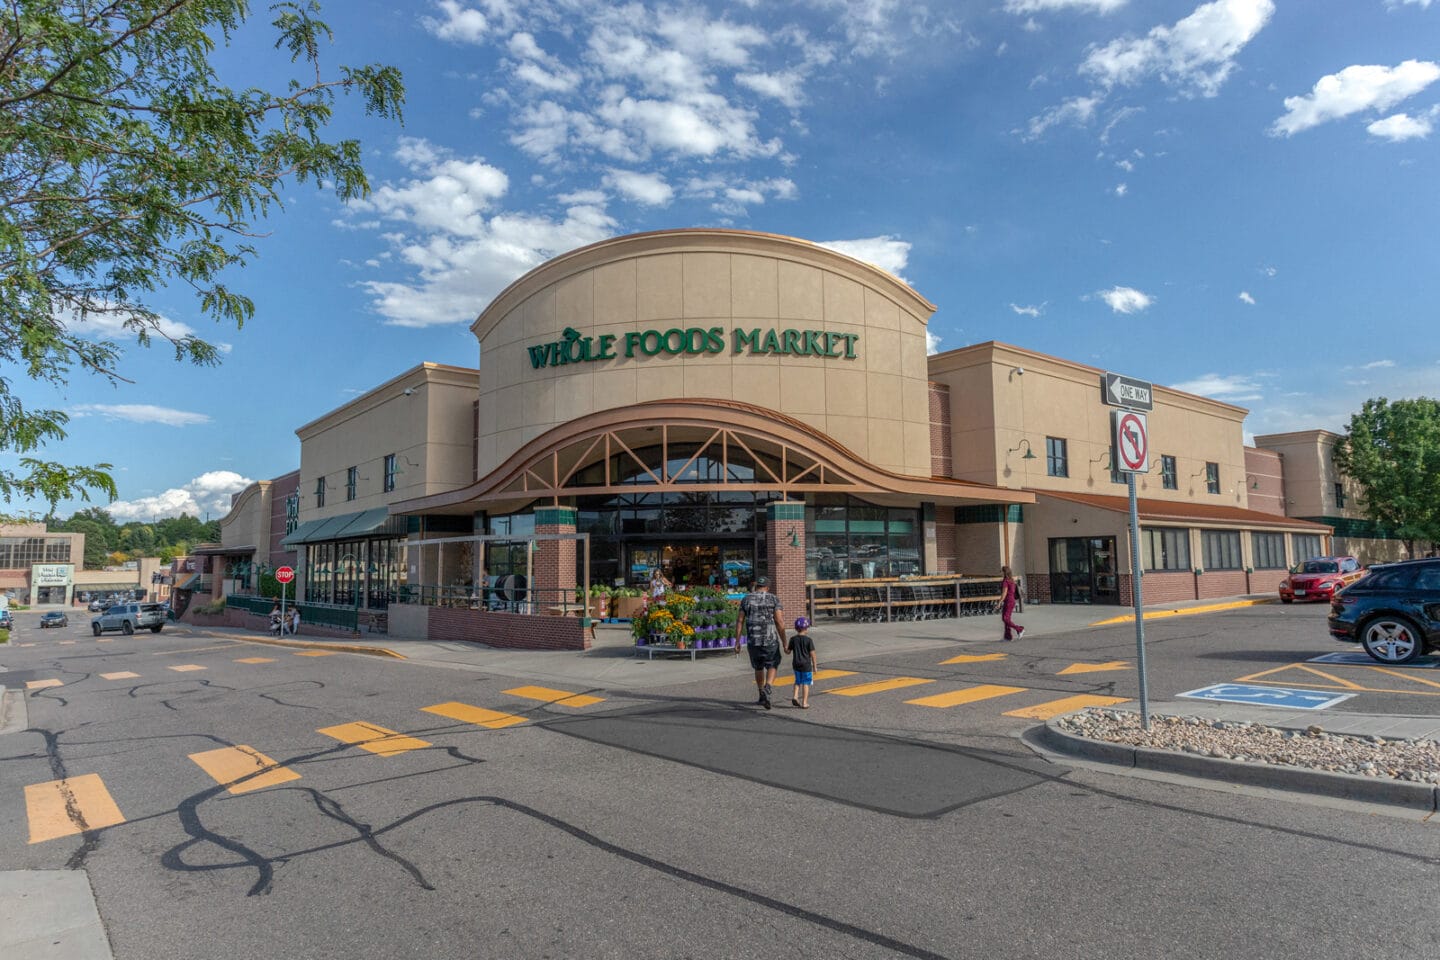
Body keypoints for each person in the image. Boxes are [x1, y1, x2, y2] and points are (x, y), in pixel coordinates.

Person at [736, 576, 786, 709]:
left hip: (753, 640)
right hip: (770, 639)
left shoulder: (746, 599)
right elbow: (779, 622)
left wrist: (737, 641)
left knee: (758, 667)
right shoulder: (773, 599)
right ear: (768, 587)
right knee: (772, 664)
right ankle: (768, 687)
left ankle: (760, 694)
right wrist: (785, 641)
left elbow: (740, 620)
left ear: (756, 586)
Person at [787, 616, 817, 709]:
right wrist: (815, 666)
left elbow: (788, 651)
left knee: (797, 681)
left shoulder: (793, 639)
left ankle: (795, 696)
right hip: (806, 665)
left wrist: (785, 647)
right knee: (806, 683)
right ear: (805, 628)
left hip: (796, 664)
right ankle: (804, 703)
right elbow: (813, 654)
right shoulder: (809, 640)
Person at [1000, 566, 1024, 641]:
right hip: (1011, 601)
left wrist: (999, 602)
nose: (1001, 573)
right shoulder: (1011, 580)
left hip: (1008, 601)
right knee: (1005, 619)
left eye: (1001, 571)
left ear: (1005, 572)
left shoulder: (1006, 581)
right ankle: (1008, 636)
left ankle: (1019, 629)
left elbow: (1004, 593)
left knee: (1005, 618)